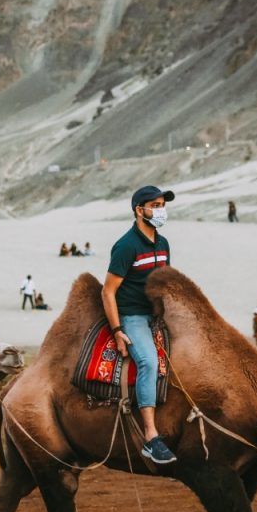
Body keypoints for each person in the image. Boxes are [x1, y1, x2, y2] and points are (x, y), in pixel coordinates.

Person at [102, 185, 177, 464]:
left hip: (159, 313)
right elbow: (108, 291)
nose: (161, 210)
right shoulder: (126, 246)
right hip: (133, 316)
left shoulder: (163, 243)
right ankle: (150, 437)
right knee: (148, 361)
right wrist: (118, 331)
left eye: (162, 205)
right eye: (155, 205)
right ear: (139, 210)